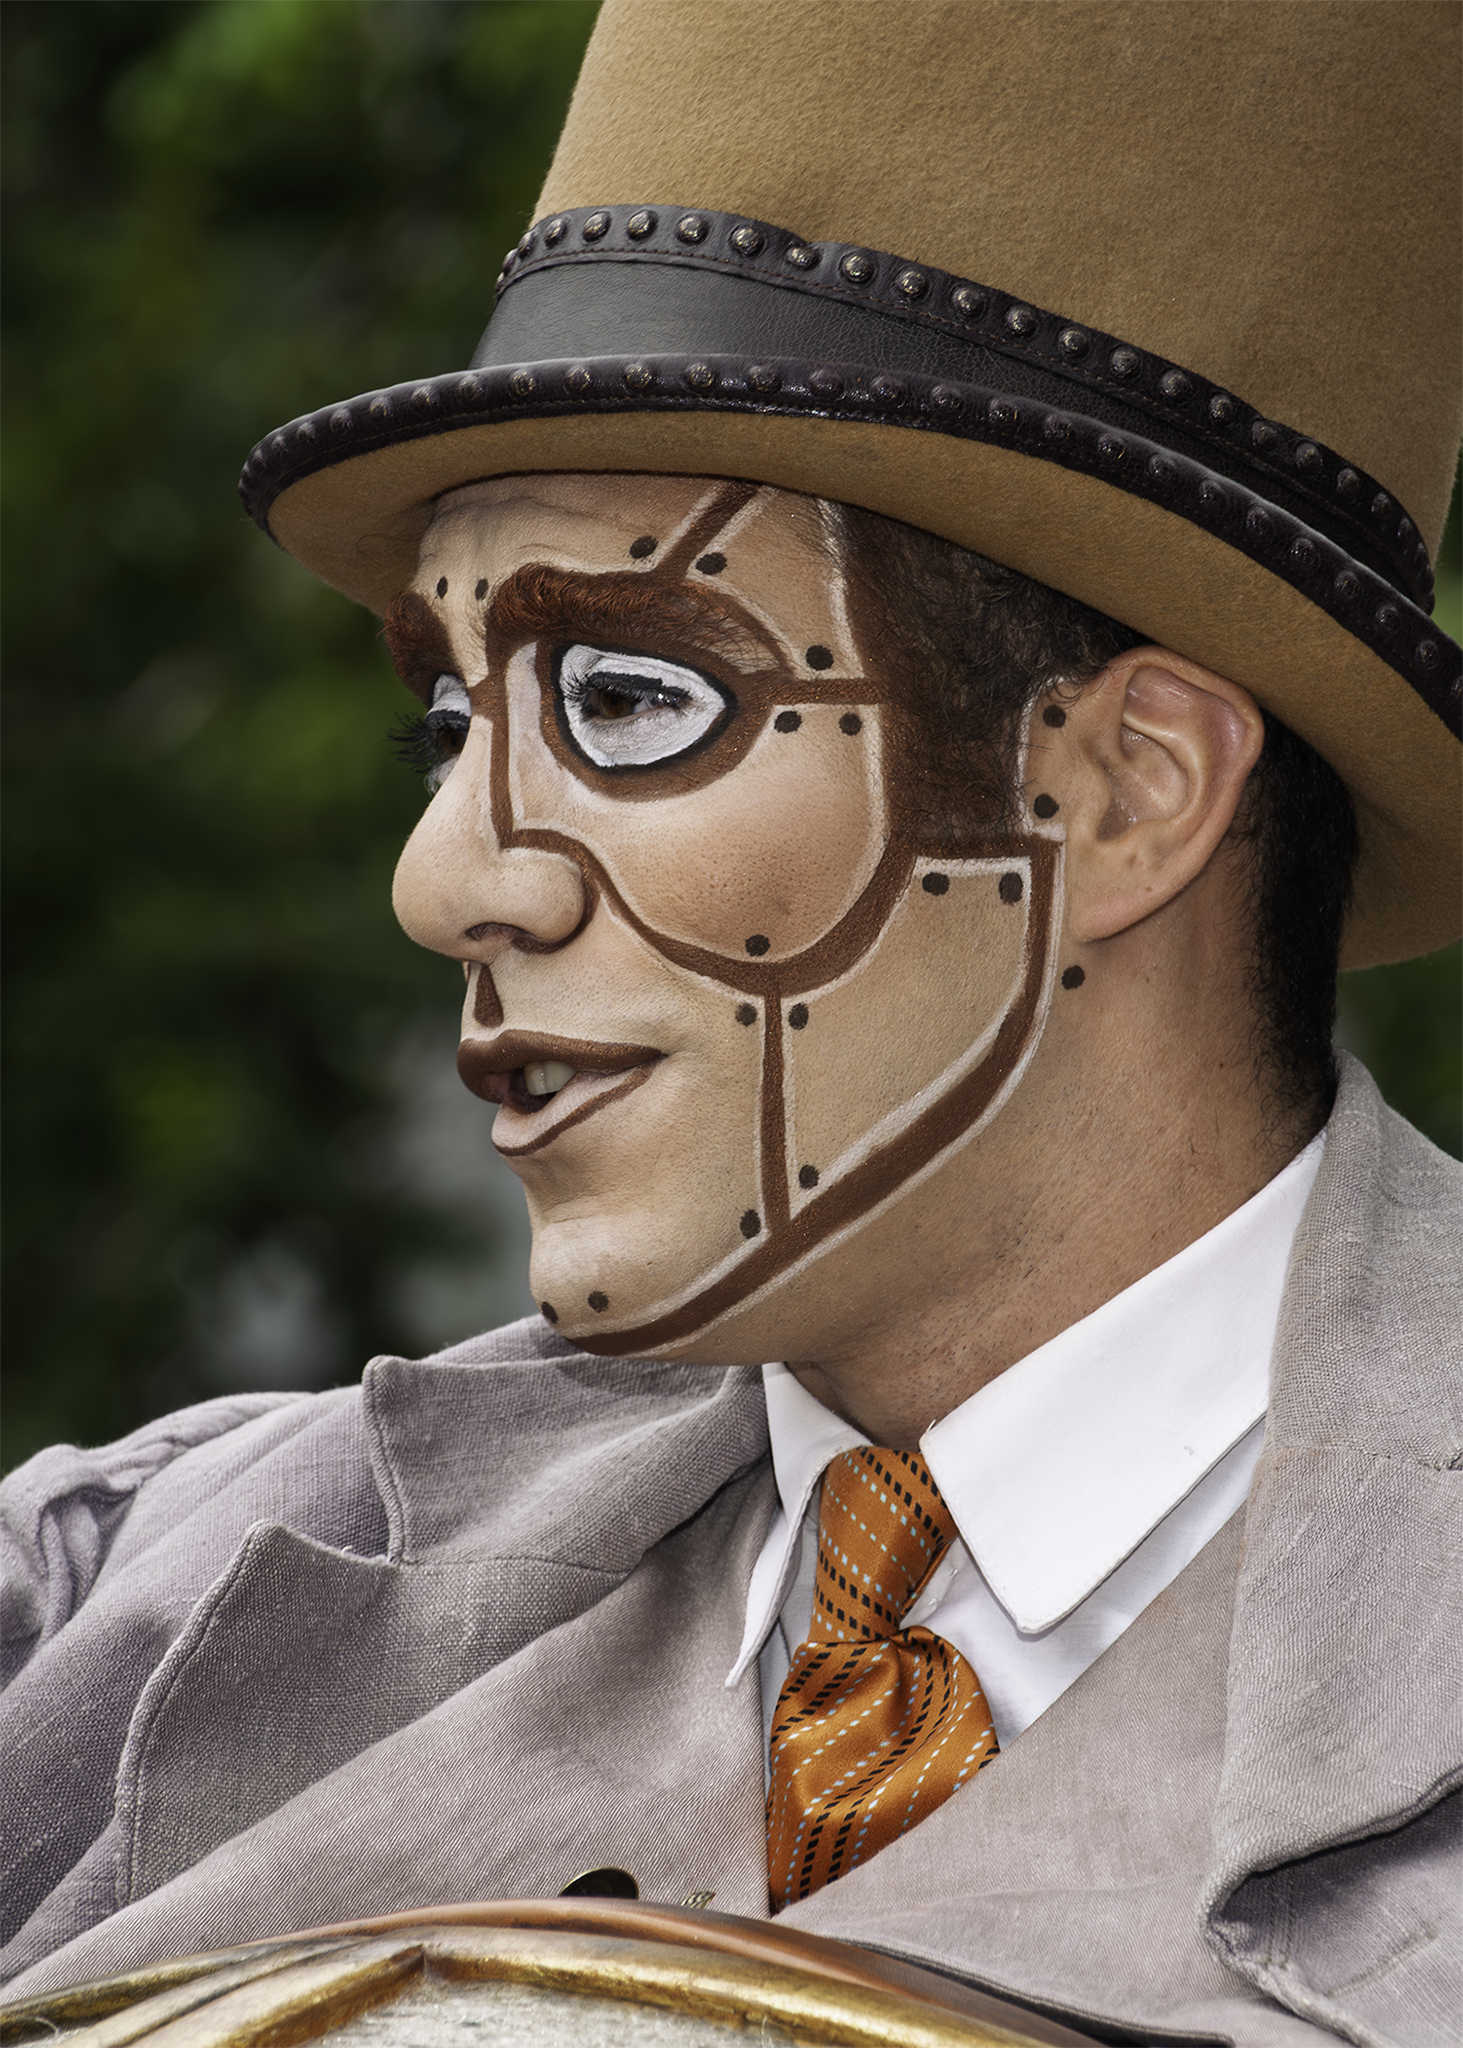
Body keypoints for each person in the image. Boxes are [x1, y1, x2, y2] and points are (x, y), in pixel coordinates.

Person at [2, 2, 1461, 2041]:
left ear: (1122, 790)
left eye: (628, 698)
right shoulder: (119, 1595)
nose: (445, 875)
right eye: (448, 723)